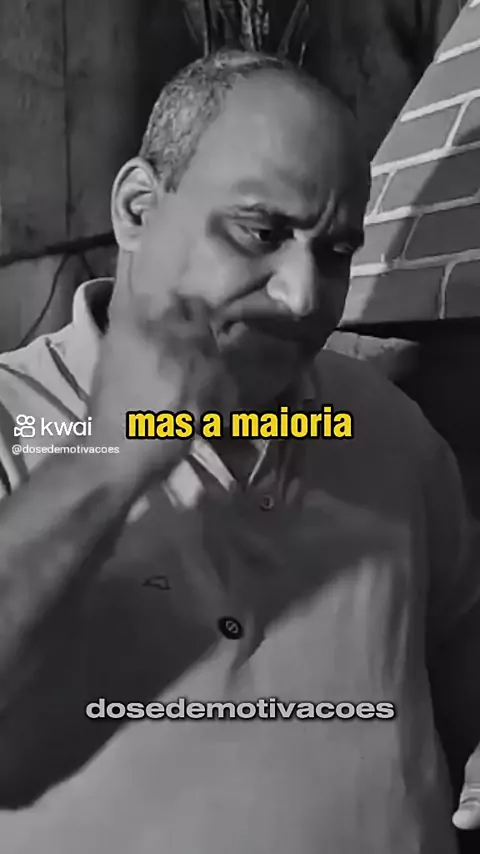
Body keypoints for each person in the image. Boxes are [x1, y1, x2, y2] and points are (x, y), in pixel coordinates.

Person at [0, 48, 478, 854]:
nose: (302, 296)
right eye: (262, 232)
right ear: (138, 209)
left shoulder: (388, 429)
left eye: (335, 252)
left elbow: (462, 647)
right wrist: (110, 460)